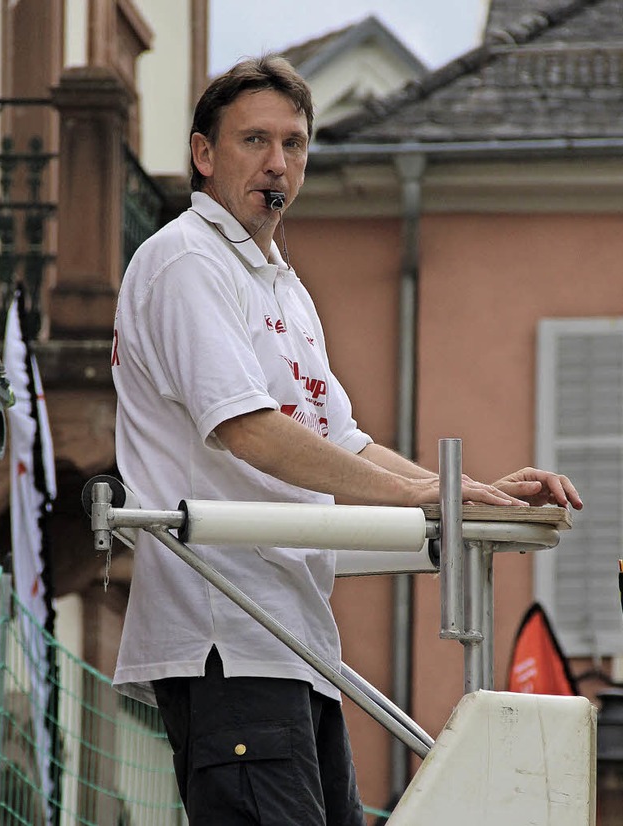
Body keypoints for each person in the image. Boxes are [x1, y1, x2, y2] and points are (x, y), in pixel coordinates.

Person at [110, 55, 582, 825]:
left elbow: (343, 443)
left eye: (293, 144)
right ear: (203, 155)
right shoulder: (186, 259)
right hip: (225, 634)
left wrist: (472, 493)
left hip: (291, 640)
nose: (277, 163)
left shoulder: (281, 285)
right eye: (254, 140)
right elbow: (247, 430)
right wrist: (414, 495)